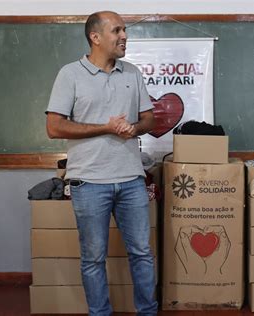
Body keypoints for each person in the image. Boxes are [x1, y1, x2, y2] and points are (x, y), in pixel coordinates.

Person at [45, 11, 158, 316]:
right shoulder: (70, 74)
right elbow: (54, 127)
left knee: (142, 254)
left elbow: (149, 118)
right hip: (88, 182)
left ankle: (148, 312)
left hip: (132, 180)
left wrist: (133, 128)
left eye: (125, 30)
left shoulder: (132, 73)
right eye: (117, 31)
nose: (124, 36)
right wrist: (105, 127)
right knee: (93, 259)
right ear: (95, 37)